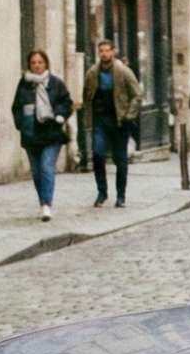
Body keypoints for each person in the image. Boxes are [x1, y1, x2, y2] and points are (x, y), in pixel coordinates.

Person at [11, 49, 72, 222]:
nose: (37, 65)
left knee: (46, 167)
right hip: (31, 134)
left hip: (51, 132)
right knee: (37, 172)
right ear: (29, 65)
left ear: (46, 64)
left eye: (40, 62)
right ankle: (42, 201)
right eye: (33, 63)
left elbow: (66, 102)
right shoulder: (24, 84)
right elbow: (16, 106)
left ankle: (47, 204)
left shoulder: (55, 83)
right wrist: (21, 124)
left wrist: (60, 114)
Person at [85, 39, 141, 208]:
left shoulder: (123, 71)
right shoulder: (92, 73)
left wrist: (128, 115)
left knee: (120, 159)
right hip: (101, 120)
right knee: (98, 154)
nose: (104, 53)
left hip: (119, 121)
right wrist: (89, 117)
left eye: (107, 50)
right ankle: (102, 192)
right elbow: (87, 96)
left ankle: (121, 195)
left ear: (113, 51)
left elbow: (137, 95)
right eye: (101, 50)